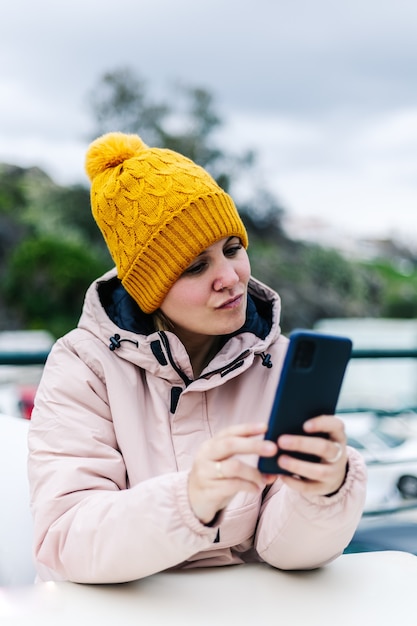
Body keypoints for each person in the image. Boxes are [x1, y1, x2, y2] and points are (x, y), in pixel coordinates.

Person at [28, 131, 367, 584]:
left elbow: (285, 551)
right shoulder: (83, 367)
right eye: (194, 266)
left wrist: (323, 492)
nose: (230, 278)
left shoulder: (279, 361)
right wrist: (188, 500)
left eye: (232, 249)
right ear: (149, 290)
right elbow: (65, 539)